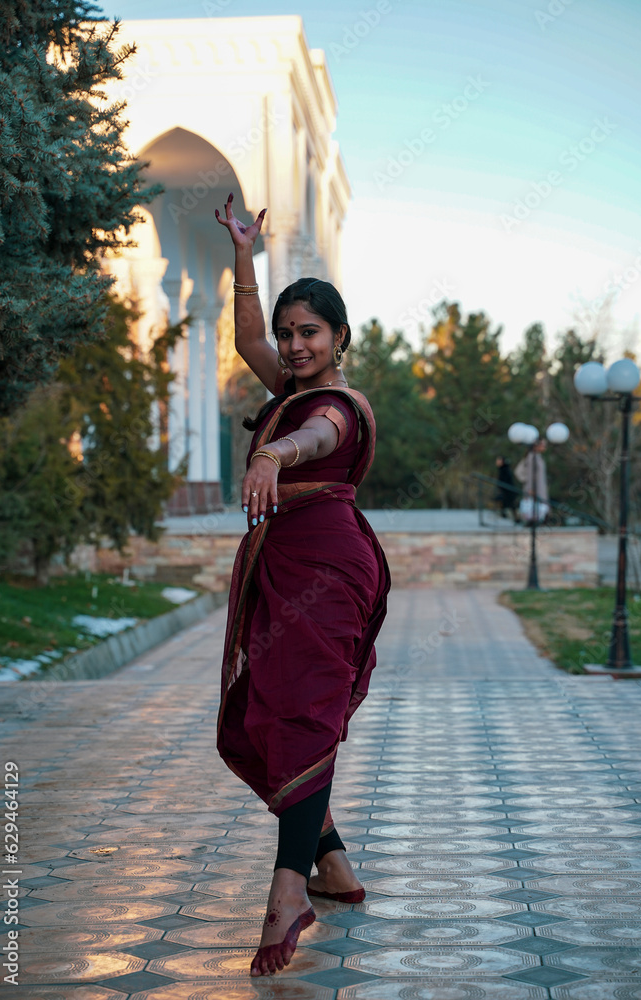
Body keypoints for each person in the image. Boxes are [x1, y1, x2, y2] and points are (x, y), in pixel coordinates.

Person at [214, 193, 390, 977]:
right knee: (266, 716)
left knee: (303, 717)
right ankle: (333, 865)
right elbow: (246, 334)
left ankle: (289, 889)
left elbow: (316, 438)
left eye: (308, 332)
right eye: (288, 335)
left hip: (327, 574)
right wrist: (243, 251)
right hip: (285, 568)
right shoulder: (288, 388)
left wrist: (271, 456)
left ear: (339, 337)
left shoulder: (337, 407)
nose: (291, 345)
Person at [514, 440, 549, 523]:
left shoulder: (538, 456)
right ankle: (532, 525)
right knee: (533, 509)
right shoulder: (532, 457)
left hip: (539, 487)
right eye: (543, 445)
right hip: (534, 488)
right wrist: (530, 487)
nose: (544, 447)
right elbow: (529, 474)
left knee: (539, 508)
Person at [493, 456, 518, 520]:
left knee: (511, 505)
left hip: (508, 491)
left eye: (499, 461)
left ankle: (516, 518)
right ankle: (505, 515)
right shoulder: (503, 469)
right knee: (506, 504)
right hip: (505, 491)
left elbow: (506, 480)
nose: (497, 462)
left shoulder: (505, 469)